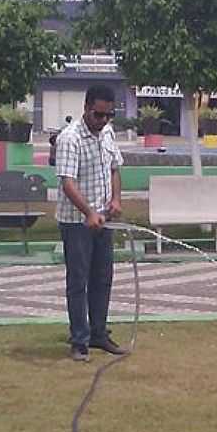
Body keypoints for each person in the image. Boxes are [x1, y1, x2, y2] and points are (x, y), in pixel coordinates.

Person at [55, 87, 125, 361]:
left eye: (109, 115)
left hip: (102, 219)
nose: (103, 120)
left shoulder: (107, 132)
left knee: (102, 277)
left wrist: (116, 200)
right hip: (76, 222)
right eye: (98, 115)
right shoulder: (69, 139)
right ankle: (79, 339)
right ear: (86, 108)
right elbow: (67, 183)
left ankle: (98, 333)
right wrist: (88, 213)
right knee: (78, 280)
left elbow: (114, 168)